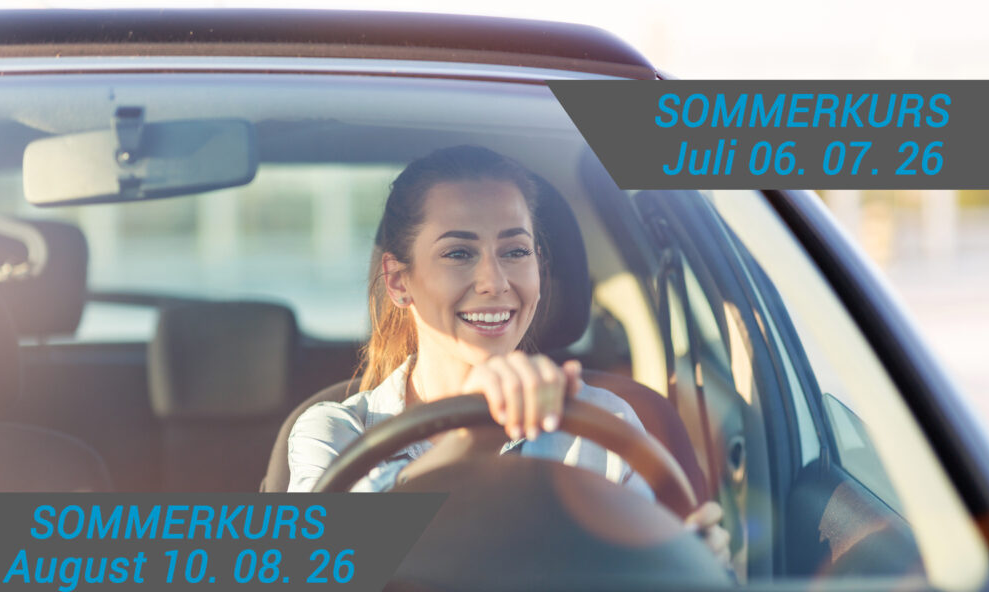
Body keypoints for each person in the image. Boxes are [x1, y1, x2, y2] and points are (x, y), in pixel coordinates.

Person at [287, 145, 729, 564]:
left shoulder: (605, 425)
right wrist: (471, 441)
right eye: (459, 253)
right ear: (399, 281)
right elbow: (313, 578)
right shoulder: (333, 433)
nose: (493, 282)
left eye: (515, 251)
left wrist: (693, 564)